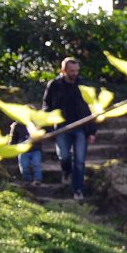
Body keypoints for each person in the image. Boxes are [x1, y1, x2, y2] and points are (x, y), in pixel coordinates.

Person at [42, 58, 89, 199]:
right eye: (71, 71)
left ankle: (78, 190)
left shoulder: (83, 85)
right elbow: (46, 105)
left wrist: (92, 131)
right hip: (61, 127)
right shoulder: (54, 85)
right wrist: (48, 125)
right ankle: (66, 171)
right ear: (63, 71)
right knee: (64, 156)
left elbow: (90, 108)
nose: (74, 73)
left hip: (80, 127)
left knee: (80, 161)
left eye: (76, 71)